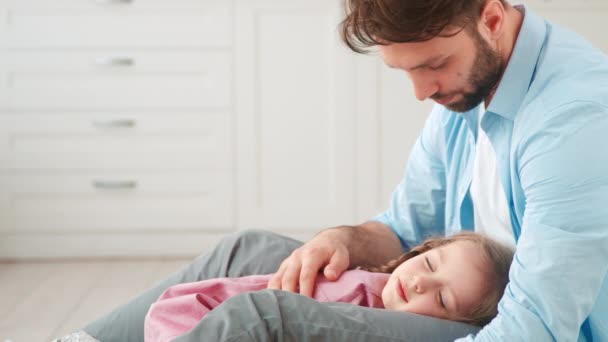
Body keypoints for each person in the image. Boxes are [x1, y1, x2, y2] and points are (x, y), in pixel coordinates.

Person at [56, 0, 608, 341]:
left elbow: (536, 327)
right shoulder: (471, 90)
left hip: (510, 330)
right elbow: (400, 228)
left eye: (434, 65)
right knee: (248, 252)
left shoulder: (572, 122)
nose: (421, 92)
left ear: (491, 18)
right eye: (406, 72)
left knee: (263, 318)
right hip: (450, 299)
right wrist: (342, 240)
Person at [144, 233, 513, 342]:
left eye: (442, 297)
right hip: (188, 320)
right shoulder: (356, 291)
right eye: (430, 264)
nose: (419, 282)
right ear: (422, 250)